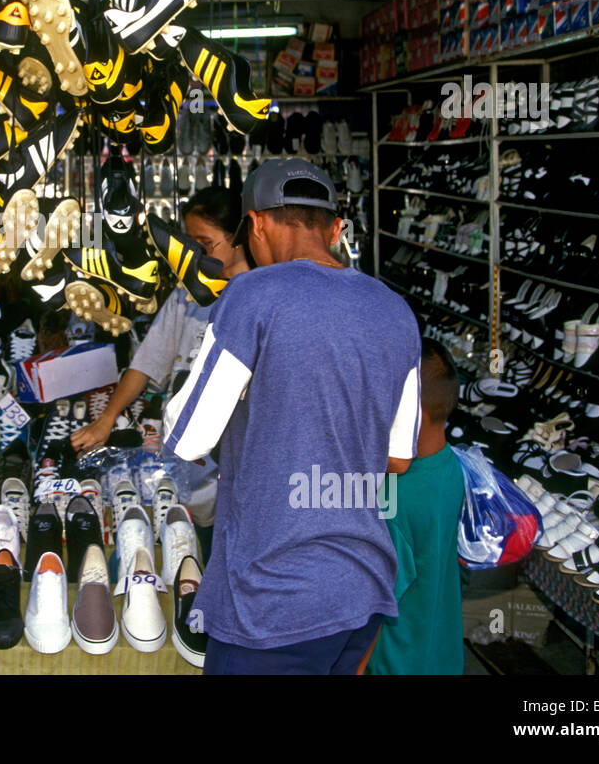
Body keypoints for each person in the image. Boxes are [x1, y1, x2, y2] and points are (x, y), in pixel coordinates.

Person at [164, 157, 421, 675]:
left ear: (256, 224)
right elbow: (397, 458)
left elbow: (188, 436)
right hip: (361, 586)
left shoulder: (252, 295)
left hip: (273, 597)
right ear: (335, 229)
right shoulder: (395, 310)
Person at [71, 186, 251, 553]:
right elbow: (148, 361)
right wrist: (107, 418)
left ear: (237, 239)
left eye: (206, 243)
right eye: (190, 245)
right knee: (194, 553)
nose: (197, 255)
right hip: (191, 463)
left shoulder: (260, 297)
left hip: (244, 461)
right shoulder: (187, 296)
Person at [366, 338, 466, 675]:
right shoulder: (450, 466)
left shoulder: (394, 494)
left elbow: (371, 608)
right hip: (440, 656)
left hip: (391, 663)